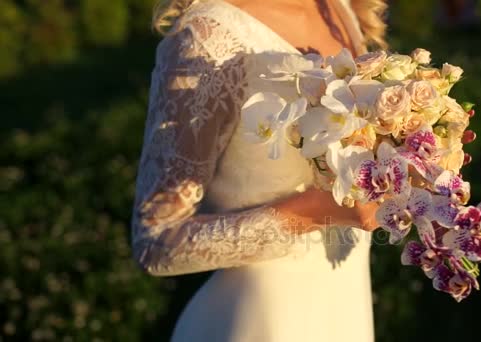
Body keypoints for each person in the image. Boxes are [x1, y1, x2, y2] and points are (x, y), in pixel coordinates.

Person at [130, 0, 388, 340]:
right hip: (259, 322)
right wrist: (313, 213)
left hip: (345, 314)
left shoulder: (338, 9)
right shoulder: (210, 35)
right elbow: (157, 240)